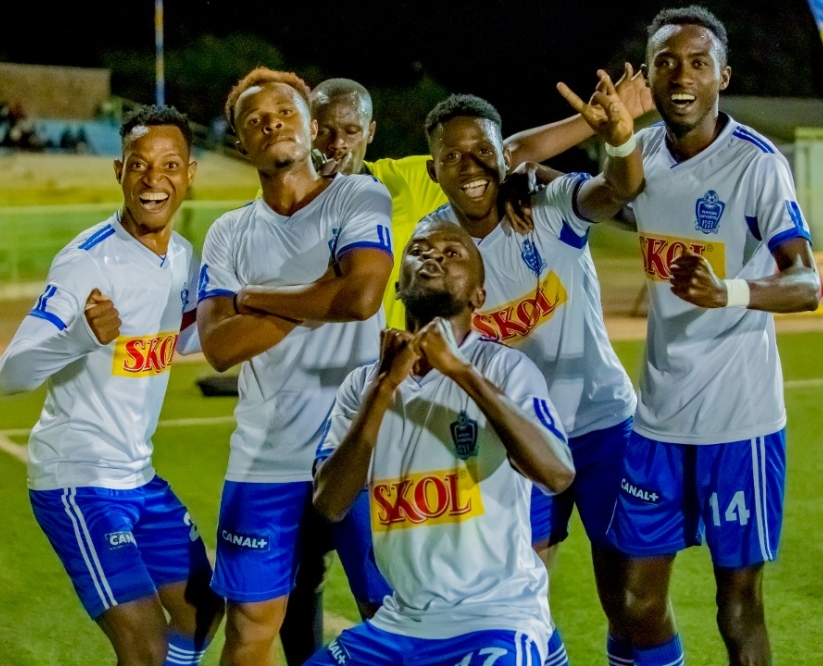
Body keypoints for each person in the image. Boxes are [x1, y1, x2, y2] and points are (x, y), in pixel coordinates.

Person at [604, 7, 821, 666]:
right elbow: (603, 197)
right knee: (637, 602)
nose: (681, 75)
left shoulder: (756, 165)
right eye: (666, 61)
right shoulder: (639, 154)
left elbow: (809, 284)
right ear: (649, 73)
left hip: (740, 421)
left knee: (736, 609)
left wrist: (727, 291)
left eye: (697, 62)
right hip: (659, 419)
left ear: (721, 76)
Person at [419, 84, 642, 666]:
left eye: (481, 152)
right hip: (511, 440)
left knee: (631, 598)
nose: (469, 167)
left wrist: (618, 139)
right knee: (520, 594)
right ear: (432, 168)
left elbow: (617, 189)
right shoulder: (434, 246)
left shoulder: (547, 204)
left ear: (505, 155)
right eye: (452, 157)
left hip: (598, 424)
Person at [0, 105, 223, 666]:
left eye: (170, 164)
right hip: (78, 480)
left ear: (190, 173)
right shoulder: (85, 261)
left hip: (138, 478)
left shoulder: (180, 257)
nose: (154, 179)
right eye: (140, 165)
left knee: (203, 612)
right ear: (118, 171)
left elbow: (185, 337)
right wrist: (77, 338)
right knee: (142, 646)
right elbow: (8, 376)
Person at [308, 219, 576, 666]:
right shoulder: (362, 385)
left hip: (494, 617)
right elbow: (330, 503)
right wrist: (383, 389)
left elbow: (556, 473)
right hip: (400, 622)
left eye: (453, 253)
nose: (433, 256)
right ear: (398, 286)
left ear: (478, 296)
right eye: (420, 250)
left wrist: (460, 371)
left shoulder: (505, 369)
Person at [195, 67, 394, 666]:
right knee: (250, 630)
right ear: (241, 144)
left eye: (284, 111)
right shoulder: (227, 233)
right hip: (264, 458)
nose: (270, 123)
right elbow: (219, 348)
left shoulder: (358, 196)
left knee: (392, 615)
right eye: (253, 120)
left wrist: (255, 297)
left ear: (312, 127)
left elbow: (361, 298)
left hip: (359, 451)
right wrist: (320, 291)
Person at [309, 73, 653, 330]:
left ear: (369, 133)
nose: (337, 143)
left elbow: (508, 155)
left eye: (351, 131)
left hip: (393, 362)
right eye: (325, 131)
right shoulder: (281, 206)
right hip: (311, 365)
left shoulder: (402, 181)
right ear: (309, 131)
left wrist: (594, 121)